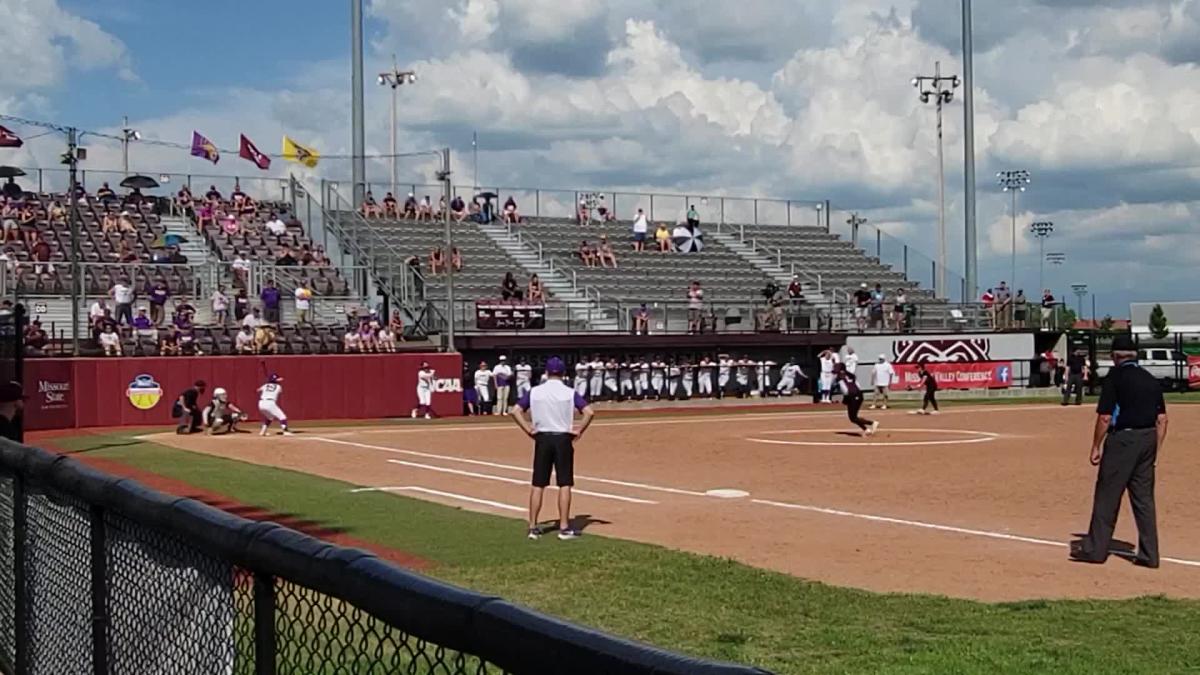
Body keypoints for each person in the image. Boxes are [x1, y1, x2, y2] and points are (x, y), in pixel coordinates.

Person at [1070, 335, 1167, 568]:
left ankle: (1095, 550)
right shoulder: (1150, 379)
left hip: (1123, 439)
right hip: (1148, 439)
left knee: (1107, 495)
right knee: (1143, 500)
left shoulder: (1115, 378)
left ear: (1115, 357)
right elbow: (1162, 420)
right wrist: (1155, 448)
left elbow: (1105, 417)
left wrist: (1095, 446)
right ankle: (1149, 554)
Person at [511, 356, 596, 541]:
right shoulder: (569, 392)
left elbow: (515, 410)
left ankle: (533, 526)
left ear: (546, 372)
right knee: (564, 483)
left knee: (538, 483)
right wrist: (579, 430)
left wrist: (528, 430)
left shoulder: (535, 391)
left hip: (542, 437)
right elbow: (589, 412)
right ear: (564, 373)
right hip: (562, 438)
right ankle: (564, 527)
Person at [836, 364, 878, 436]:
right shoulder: (851, 376)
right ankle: (866, 429)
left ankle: (872, 423)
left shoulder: (841, 379)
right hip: (859, 395)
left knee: (853, 417)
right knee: (853, 417)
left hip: (852, 396)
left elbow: (845, 391)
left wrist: (846, 399)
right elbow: (858, 386)